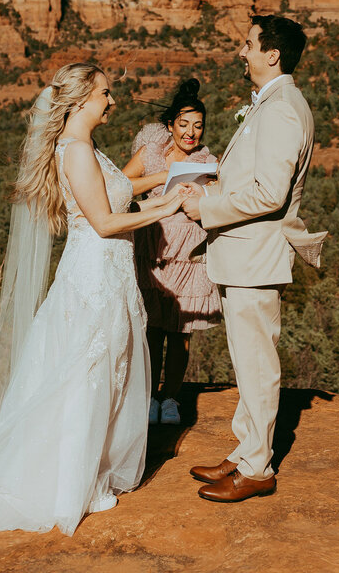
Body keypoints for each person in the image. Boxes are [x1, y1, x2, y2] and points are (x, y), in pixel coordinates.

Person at [0, 62, 196, 536]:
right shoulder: (75, 151)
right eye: (106, 94)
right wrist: (170, 206)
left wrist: (167, 197)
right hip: (93, 274)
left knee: (106, 373)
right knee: (87, 377)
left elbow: (120, 201)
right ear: (81, 100)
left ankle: (88, 473)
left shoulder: (87, 148)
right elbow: (104, 222)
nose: (112, 101)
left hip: (108, 273)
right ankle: (70, 488)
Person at [181, 14, 327, 503]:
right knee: (246, 360)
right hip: (243, 255)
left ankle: (258, 468)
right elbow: (253, 181)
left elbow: (269, 193)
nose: (240, 53)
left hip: (255, 256)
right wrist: (215, 183)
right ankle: (246, 449)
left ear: (272, 54)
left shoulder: (283, 108)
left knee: (257, 363)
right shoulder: (269, 104)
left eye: (247, 45)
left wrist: (206, 208)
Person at [123, 78, 221, 427]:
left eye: (198, 126)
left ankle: (171, 399)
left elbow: (220, 198)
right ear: (170, 125)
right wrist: (160, 179)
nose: (191, 132)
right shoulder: (150, 154)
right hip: (154, 249)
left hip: (189, 255)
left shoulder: (208, 160)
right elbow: (122, 185)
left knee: (181, 332)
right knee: (151, 328)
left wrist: (208, 191)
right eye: (183, 124)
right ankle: (148, 395)